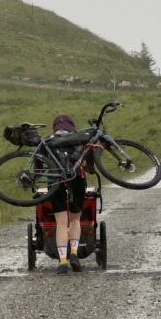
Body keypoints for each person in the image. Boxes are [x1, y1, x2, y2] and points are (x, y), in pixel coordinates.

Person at [48, 113, 96, 274]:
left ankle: (62, 262)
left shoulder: (48, 141)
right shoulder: (80, 139)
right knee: (75, 219)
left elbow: (38, 164)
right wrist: (90, 169)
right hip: (76, 178)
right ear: (72, 126)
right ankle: (74, 254)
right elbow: (90, 161)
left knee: (61, 223)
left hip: (55, 180)